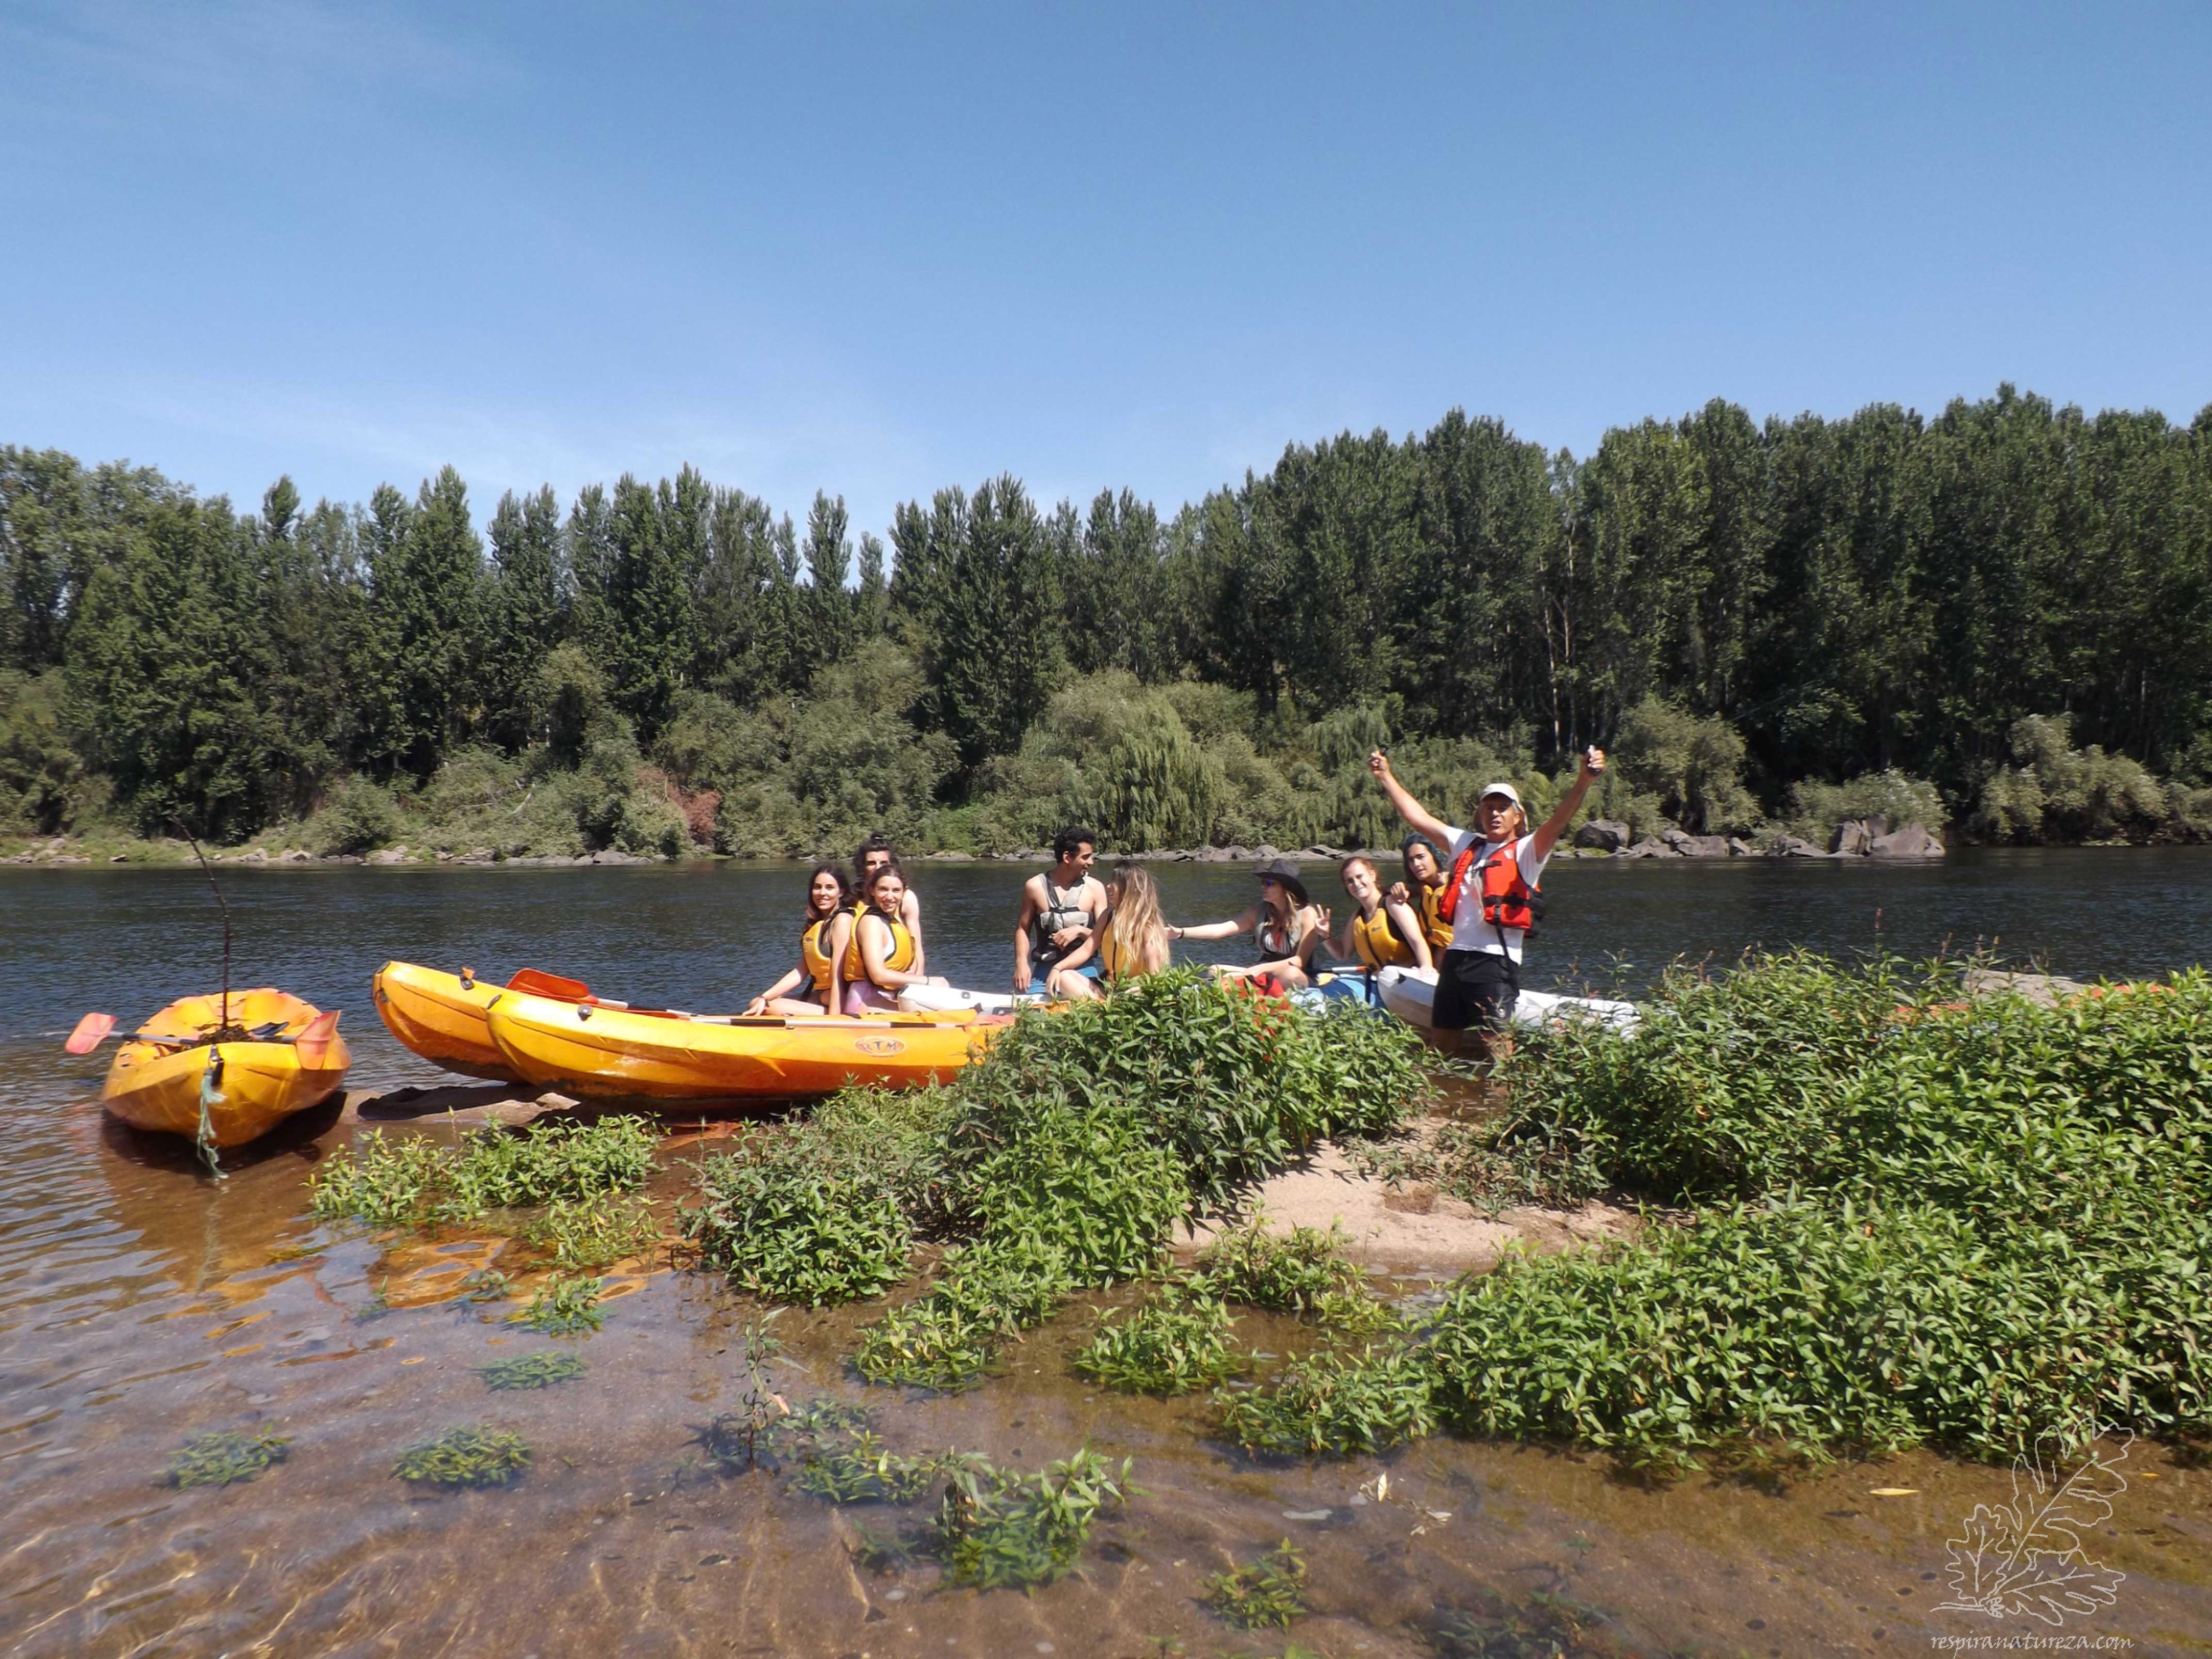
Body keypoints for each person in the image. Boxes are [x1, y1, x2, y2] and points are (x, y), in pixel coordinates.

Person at [1368, 747, 1604, 1059]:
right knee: (1442, 1047)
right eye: (1489, 807)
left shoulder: (1528, 852)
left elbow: (1558, 822)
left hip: (1494, 963)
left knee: (1498, 1050)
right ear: (1480, 814)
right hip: (1455, 959)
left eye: (1503, 808)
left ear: (1517, 817)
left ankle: (1502, 1101)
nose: (1495, 813)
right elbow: (1418, 818)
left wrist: (1583, 781)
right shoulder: (1466, 845)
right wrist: (1385, 775)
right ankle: (1448, 1098)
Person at [1170, 857, 1330, 991]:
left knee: (1289, 974)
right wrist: (1181, 933)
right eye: (1263, 882)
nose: (1263, 887)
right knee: (1215, 970)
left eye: (1269, 883)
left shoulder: (1308, 914)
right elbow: (1222, 929)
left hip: (1300, 974)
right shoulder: (1258, 912)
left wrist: (1262, 969)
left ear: (1285, 888)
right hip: (1265, 972)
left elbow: (1300, 961)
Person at [742, 864, 852, 1016]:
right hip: (821, 999)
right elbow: (800, 972)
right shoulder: (815, 925)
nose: (822, 893)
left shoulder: (842, 920)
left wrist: (835, 1021)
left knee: (769, 1008)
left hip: (840, 1004)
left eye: (830, 888)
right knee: (757, 1003)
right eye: (817, 887)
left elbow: (838, 977)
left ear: (842, 892)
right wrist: (765, 996)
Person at [1013, 825, 1108, 995]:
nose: (1091, 862)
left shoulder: (1095, 888)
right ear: (1067, 858)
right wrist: (1021, 963)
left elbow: (1107, 936)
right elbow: (1022, 929)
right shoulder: (1034, 887)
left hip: (1084, 972)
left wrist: (1079, 930)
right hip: (1044, 973)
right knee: (1031, 1016)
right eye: (1086, 857)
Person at [1053, 863, 1170, 999]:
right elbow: (1087, 949)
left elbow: (1155, 975)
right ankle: (1101, 1007)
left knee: (1132, 992)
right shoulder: (1108, 916)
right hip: (1110, 988)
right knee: (1064, 976)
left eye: (1115, 883)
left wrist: (1148, 991)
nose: (1108, 886)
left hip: (1135, 990)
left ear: (1130, 889)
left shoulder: (1146, 925)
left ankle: (1101, 1008)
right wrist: (1057, 968)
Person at [842, 860, 947, 1012]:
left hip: (888, 997)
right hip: (866, 1004)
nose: (890, 897)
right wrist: (928, 981)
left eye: (896, 891)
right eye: (883, 890)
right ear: (872, 890)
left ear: (904, 892)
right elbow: (878, 975)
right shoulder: (872, 923)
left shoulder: (895, 921)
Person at [1325, 854, 1433, 979]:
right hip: (1380, 983)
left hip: (1407, 979)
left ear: (1372, 875)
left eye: (1360, 877)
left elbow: (1418, 941)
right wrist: (1325, 936)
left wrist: (1427, 968)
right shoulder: (1357, 918)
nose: (1356, 883)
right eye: (1350, 881)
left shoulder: (1393, 904)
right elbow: (1342, 955)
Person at [853, 833, 925, 975]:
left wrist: (919, 980)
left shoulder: (906, 899)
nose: (877, 868)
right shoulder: (851, 898)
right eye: (871, 863)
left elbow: (917, 946)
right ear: (862, 867)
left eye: (883, 863)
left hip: (898, 975)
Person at [1391, 834, 1454, 958]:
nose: (1416, 864)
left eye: (1421, 857)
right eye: (1411, 860)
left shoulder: (1457, 885)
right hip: (1434, 960)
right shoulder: (1424, 888)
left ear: (1435, 855)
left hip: (1458, 959)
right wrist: (1396, 888)